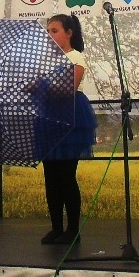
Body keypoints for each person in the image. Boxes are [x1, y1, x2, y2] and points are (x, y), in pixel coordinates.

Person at [40, 14, 97, 245]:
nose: (50, 35)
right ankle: (56, 228)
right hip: (49, 117)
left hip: (71, 115)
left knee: (66, 176)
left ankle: (73, 230)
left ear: (69, 33)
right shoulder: (46, 60)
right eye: (48, 31)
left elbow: (67, 88)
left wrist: (41, 85)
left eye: (54, 31)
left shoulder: (75, 57)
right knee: (50, 177)